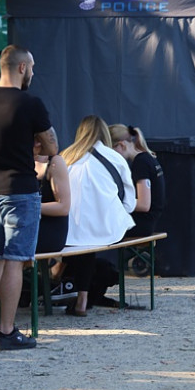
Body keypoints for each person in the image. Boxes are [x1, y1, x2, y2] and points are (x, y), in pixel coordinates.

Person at [0, 44, 57, 350]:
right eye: (31, 67)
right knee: (14, 261)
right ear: (22, 67)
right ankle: (8, 332)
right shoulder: (29, 103)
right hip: (20, 191)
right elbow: (52, 146)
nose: (33, 72)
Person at [61, 116, 136, 317]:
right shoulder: (115, 158)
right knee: (90, 240)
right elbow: (130, 203)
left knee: (84, 239)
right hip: (109, 228)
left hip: (69, 229)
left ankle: (77, 293)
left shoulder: (66, 157)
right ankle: (83, 297)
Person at [109, 124, 166, 237]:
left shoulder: (141, 163)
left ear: (121, 145)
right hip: (148, 222)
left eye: (111, 151)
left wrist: (116, 202)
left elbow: (144, 204)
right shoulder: (146, 159)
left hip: (142, 224)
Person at [34, 140, 70, 255]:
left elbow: (63, 207)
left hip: (49, 229)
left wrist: (28, 207)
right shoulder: (19, 161)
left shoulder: (55, 162)